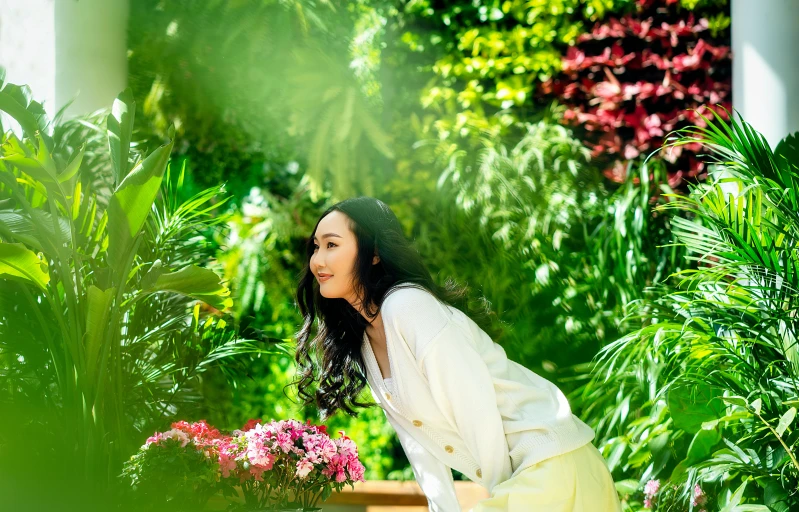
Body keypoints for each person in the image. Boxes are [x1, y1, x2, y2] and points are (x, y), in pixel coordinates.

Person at [294, 197, 622, 511]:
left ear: (374, 252)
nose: (318, 260)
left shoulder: (407, 305)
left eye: (332, 244)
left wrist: (501, 492)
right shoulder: (365, 341)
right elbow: (418, 445)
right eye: (316, 247)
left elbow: (474, 405)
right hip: (529, 477)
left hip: (550, 464)